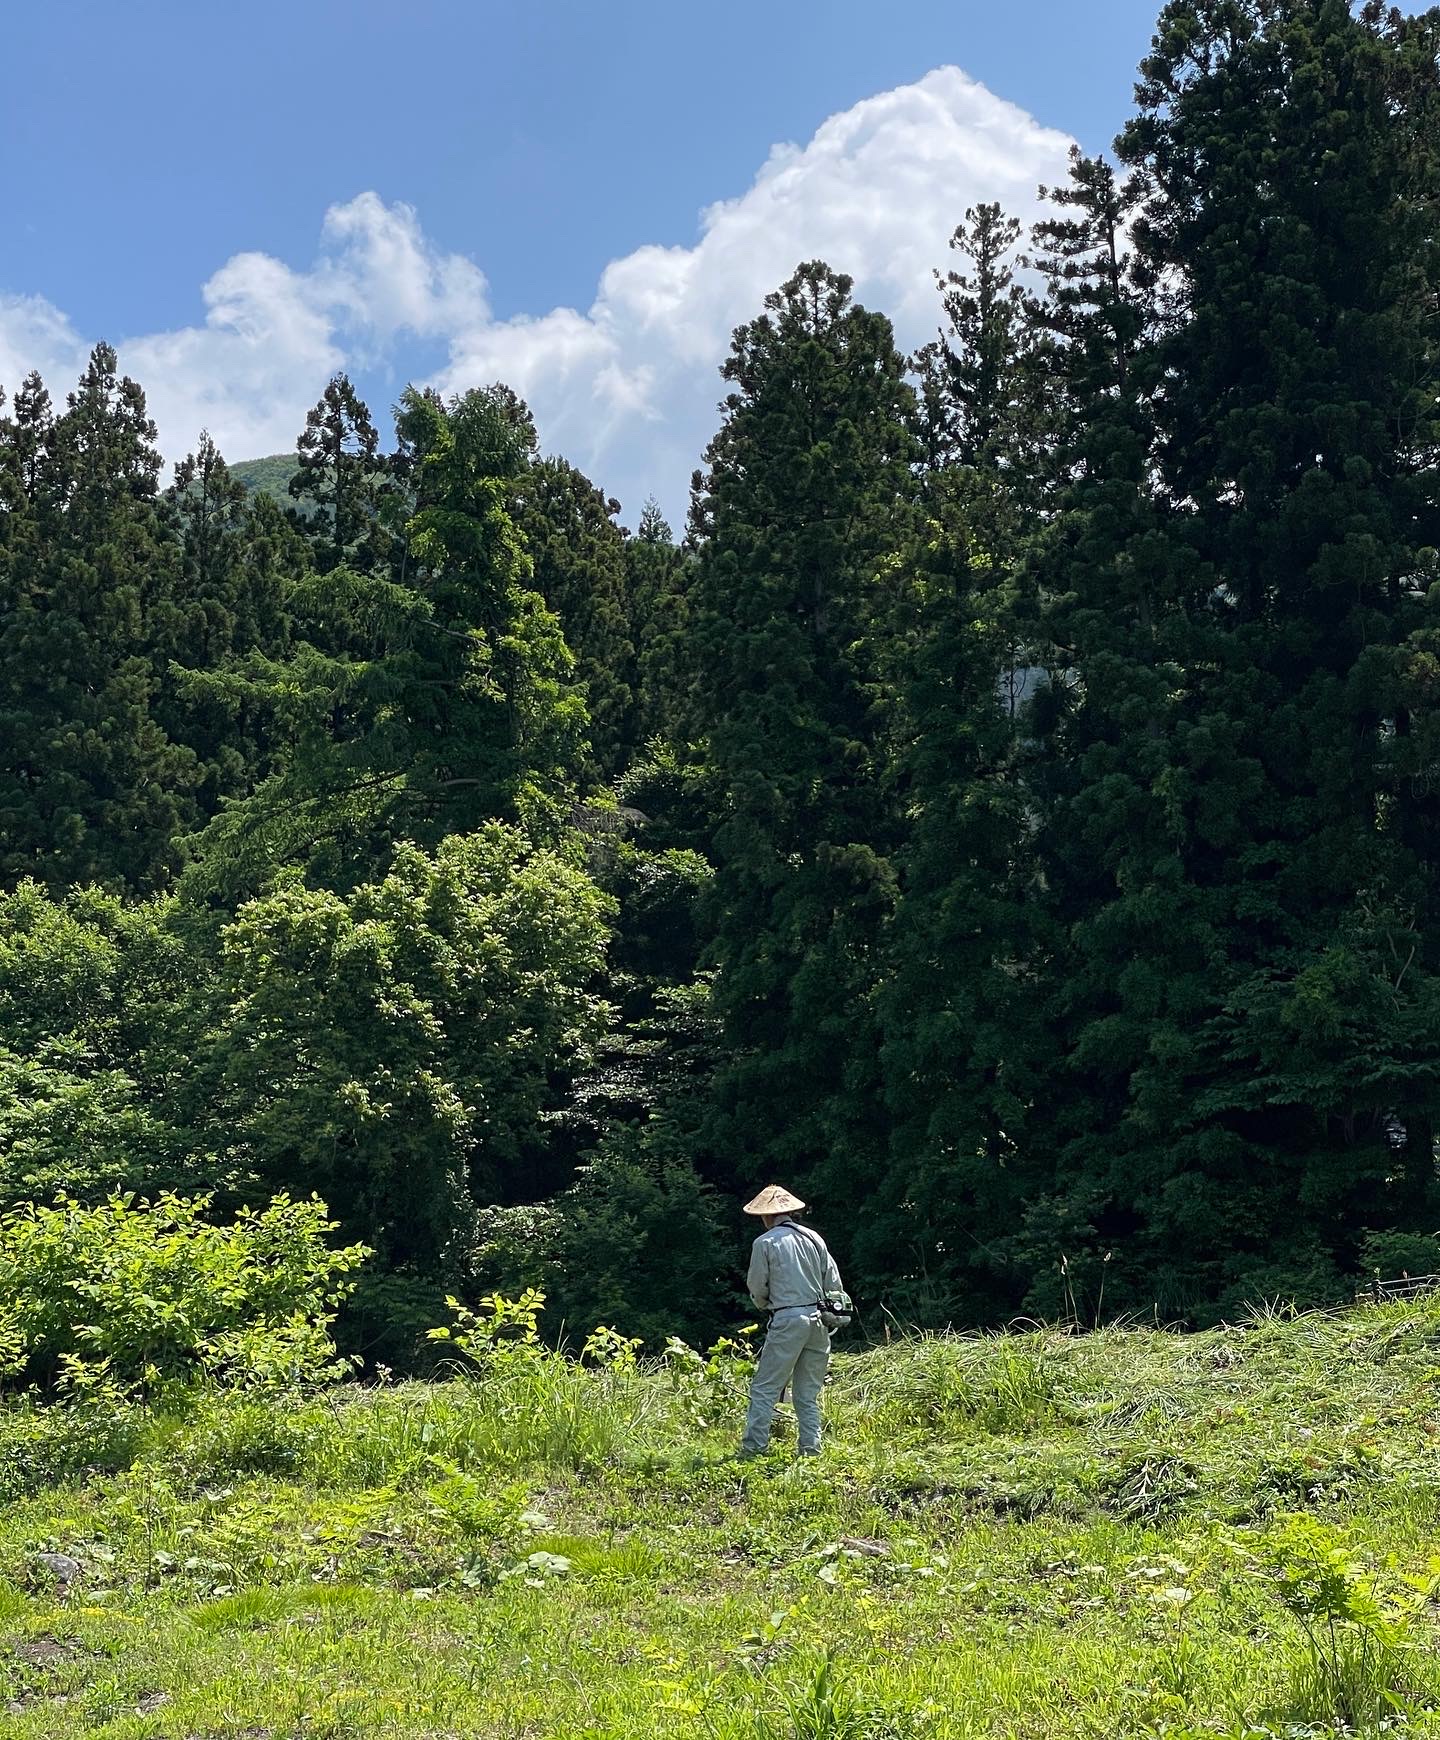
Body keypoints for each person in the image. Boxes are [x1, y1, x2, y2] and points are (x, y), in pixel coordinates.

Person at [738, 1184, 845, 1459]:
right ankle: (811, 1450)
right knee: (806, 1393)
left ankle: (753, 1450)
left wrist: (765, 1305)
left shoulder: (765, 1242)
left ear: (766, 1216)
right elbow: (833, 1283)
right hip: (820, 1320)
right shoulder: (814, 1238)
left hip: (787, 1318)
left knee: (764, 1388)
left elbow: (757, 1285)